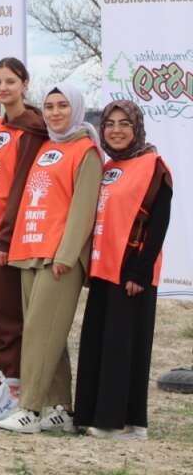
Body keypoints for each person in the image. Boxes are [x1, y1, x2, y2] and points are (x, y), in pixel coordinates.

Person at [0, 84, 103, 434]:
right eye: (50, 106)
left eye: (63, 106)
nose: (56, 113)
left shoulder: (86, 152)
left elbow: (83, 210)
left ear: (76, 108)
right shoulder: (45, 148)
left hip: (59, 257)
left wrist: (68, 255)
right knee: (45, 332)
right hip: (31, 250)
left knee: (41, 332)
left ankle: (29, 409)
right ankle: (63, 407)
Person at [75, 100, 173, 440]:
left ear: (137, 127)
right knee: (99, 343)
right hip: (104, 268)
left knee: (123, 346)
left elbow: (157, 225)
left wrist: (139, 273)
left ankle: (112, 422)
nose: (116, 130)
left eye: (124, 124)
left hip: (130, 272)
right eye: (109, 124)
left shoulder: (153, 165)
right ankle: (130, 423)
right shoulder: (109, 165)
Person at [0, 58, 47, 398]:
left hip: (10, 237)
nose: (3, 88)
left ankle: (16, 383)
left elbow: (21, 186)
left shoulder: (31, 128)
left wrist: (6, 238)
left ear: (25, 84)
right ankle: (4, 377)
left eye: (10, 81)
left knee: (7, 312)